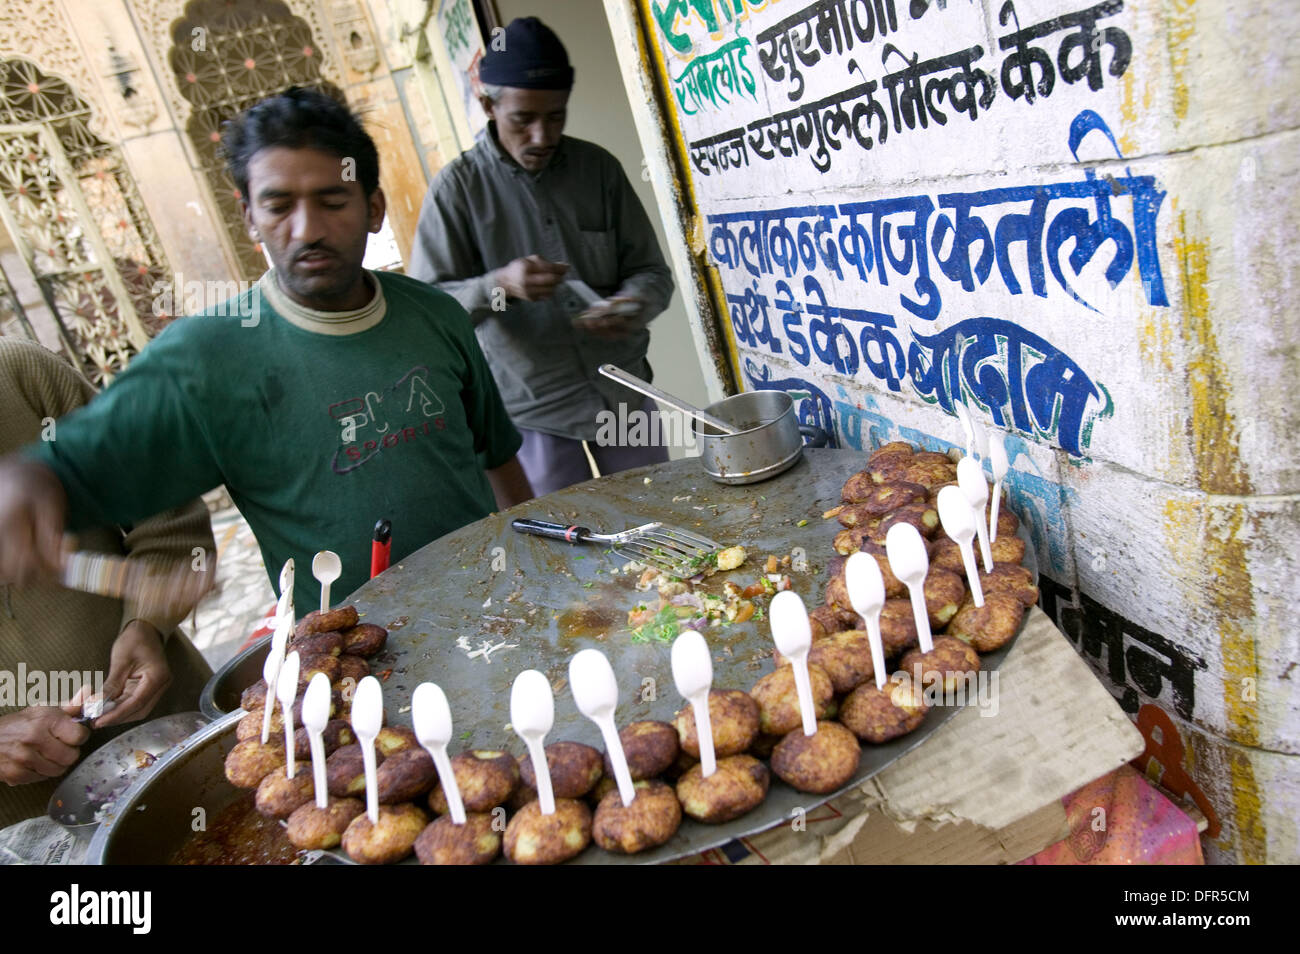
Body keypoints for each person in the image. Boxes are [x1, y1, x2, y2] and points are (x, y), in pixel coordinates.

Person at [0, 87, 532, 617]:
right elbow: (62, 472)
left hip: (489, 612)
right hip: (349, 656)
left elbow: (498, 457)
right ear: (250, 217)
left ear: (373, 208)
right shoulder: (206, 357)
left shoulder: (436, 315)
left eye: (332, 201)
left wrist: (529, 565)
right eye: (278, 205)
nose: (307, 230)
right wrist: (24, 483)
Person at [407, 16, 675, 496]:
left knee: (661, 519)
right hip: (533, 415)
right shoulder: (457, 190)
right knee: (564, 550)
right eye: (523, 119)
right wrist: (500, 286)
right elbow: (428, 313)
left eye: (556, 116)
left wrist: (632, 305)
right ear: (488, 105)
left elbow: (652, 272)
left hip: (625, 396)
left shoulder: (599, 169)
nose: (541, 136)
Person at [0, 337, 213, 827]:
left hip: (174, 738)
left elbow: (167, 516)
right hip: (26, 829)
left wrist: (145, 623)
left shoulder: (22, 375)